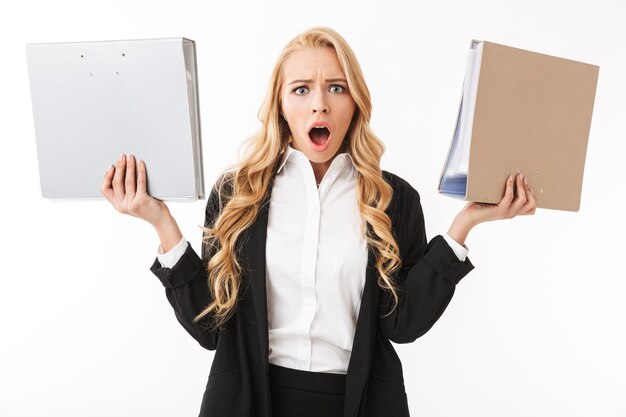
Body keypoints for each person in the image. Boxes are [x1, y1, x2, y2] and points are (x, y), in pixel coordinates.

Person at [101, 27, 536, 417]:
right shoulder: (238, 193)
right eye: (302, 90)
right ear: (281, 106)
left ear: (355, 103)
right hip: (251, 401)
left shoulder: (393, 199)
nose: (320, 104)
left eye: (336, 88)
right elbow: (209, 328)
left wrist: (463, 226)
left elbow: (402, 325)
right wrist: (162, 224)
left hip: (359, 402)